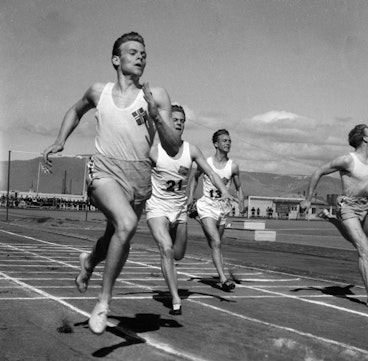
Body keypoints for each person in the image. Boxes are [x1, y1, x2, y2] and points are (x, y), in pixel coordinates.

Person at [42, 32, 182, 335]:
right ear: (116, 59)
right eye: (133, 52)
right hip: (104, 170)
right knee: (127, 224)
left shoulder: (157, 95)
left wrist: (156, 117)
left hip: (140, 178)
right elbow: (76, 110)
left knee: (116, 237)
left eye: (144, 52)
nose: (141, 56)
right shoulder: (98, 91)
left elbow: (172, 147)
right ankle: (103, 302)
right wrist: (59, 140)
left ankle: (89, 262)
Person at [146, 105, 235, 315]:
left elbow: (211, 173)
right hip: (157, 207)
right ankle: (176, 299)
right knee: (166, 248)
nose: (179, 123)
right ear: (166, 123)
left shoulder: (191, 150)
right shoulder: (153, 151)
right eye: (174, 119)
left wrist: (224, 190)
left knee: (178, 254)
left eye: (182, 120)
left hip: (179, 210)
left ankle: (170, 269)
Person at [300, 124, 368, 310]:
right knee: (363, 249)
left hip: (366, 208)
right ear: (365, 139)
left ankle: (331, 219)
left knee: (358, 243)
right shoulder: (347, 160)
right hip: (348, 207)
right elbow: (318, 171)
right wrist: (308, 199)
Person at [187, 129, 244, 291]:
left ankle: (196, 216)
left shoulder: (233, 166)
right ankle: (223, 278)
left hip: (222, 209)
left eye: (229, 141)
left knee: (214, 244)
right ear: (216, 144)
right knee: (216, 242)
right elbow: (194, 178)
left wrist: (241, 201)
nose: (228, 143)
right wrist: (191, 196)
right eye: (224, 140)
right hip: (207, 206)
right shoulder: (207, 163)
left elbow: (239, 187)